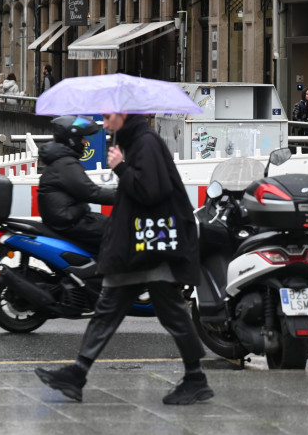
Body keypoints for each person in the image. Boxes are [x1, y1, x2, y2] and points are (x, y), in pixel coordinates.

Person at [35, 113, 212, 406]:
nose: (104, 124)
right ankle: (77, 374)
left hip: (152, 246)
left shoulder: (145, 143)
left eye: (107, 117)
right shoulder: (135, 141)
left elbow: (151, 191)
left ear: (124, 113)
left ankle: (196, 378)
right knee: (109, 309)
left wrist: (121, 167)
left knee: (171, 315)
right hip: (138, 246)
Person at [37, 116, 115, 253]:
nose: (85, 142)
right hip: (70, 222)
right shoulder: (65, 163)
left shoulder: (61, 161)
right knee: (119, 232)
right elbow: (92, 192)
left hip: (70, 218)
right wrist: (125, 194)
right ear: (72, 140)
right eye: (82, 138)